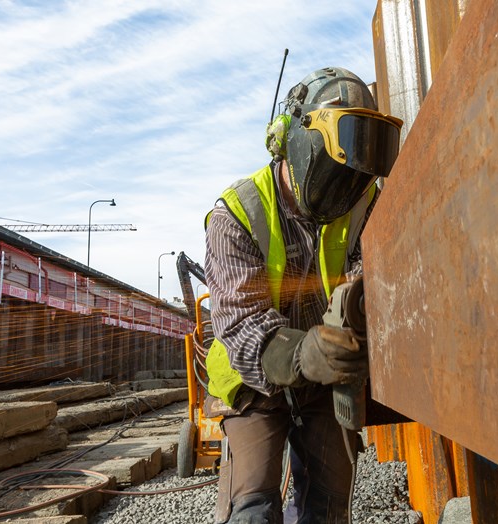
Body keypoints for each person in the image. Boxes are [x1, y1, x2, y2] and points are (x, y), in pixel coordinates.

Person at [203, 66, 403, 523]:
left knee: (329, 508)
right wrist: (303, 352)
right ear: (298, 144)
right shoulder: (237, 214)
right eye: (336, 172)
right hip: (252, 383)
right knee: (253, 508)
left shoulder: (361, 205)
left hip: (325, 382)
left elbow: (370, 279)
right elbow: (242, 328)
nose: (347, 187)